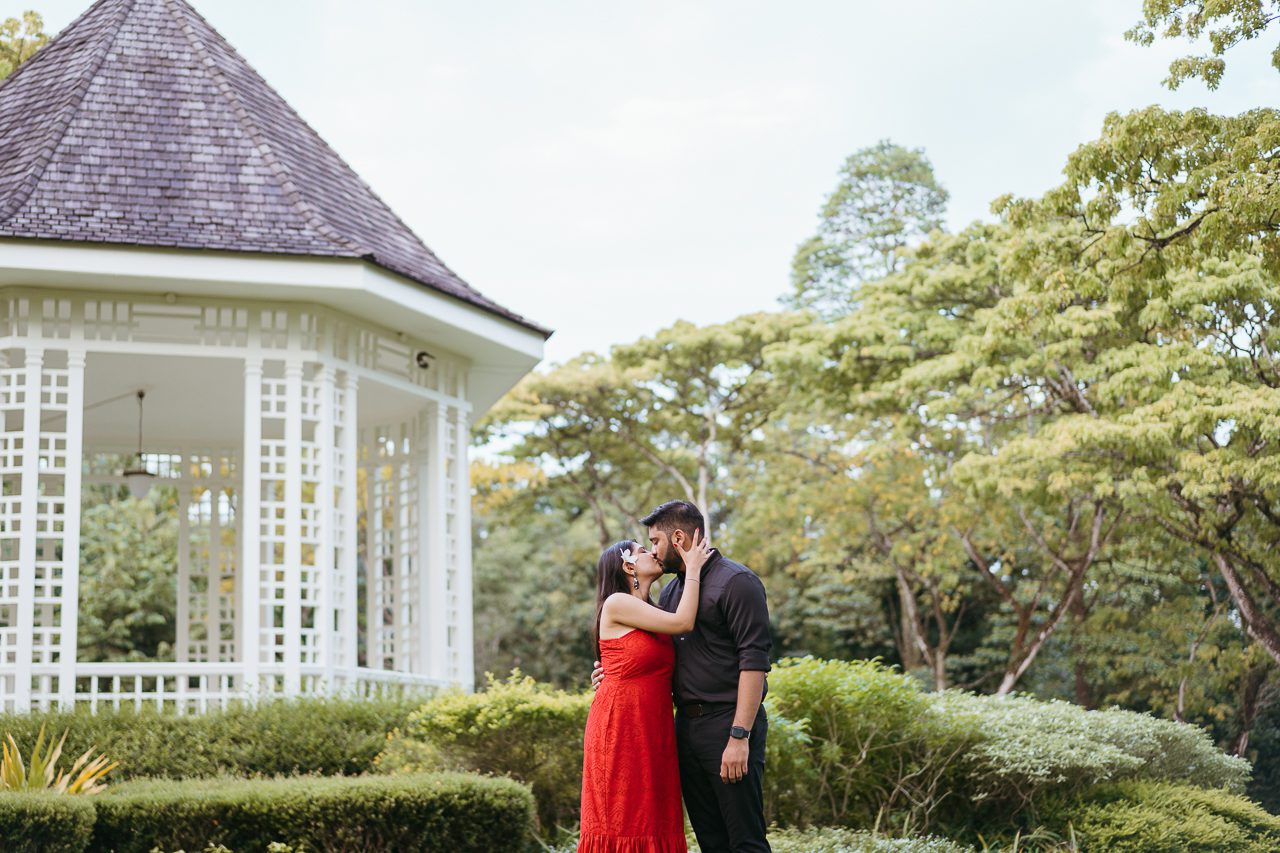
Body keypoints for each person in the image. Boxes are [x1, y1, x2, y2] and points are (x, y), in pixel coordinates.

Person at [593, 501, 773, 853]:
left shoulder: (737, 582)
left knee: (746, 841)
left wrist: (739, 735)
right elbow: (649, 656)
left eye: (654, 542)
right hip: (683, 730)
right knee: (711, 840)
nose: (654, 552)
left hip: (727, 724)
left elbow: (754, 662)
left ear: (678, 538)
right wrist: (611, 674)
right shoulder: (673, 593)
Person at [579, 530, 714, 853]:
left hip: (653, 726)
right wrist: (693, 568)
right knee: (623, 817)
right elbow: (683, 623)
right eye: (642, 550)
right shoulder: (618, 602)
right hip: (622, 726)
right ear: (627, 566)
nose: (652, 553)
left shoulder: (654, 608)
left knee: (653, 815)